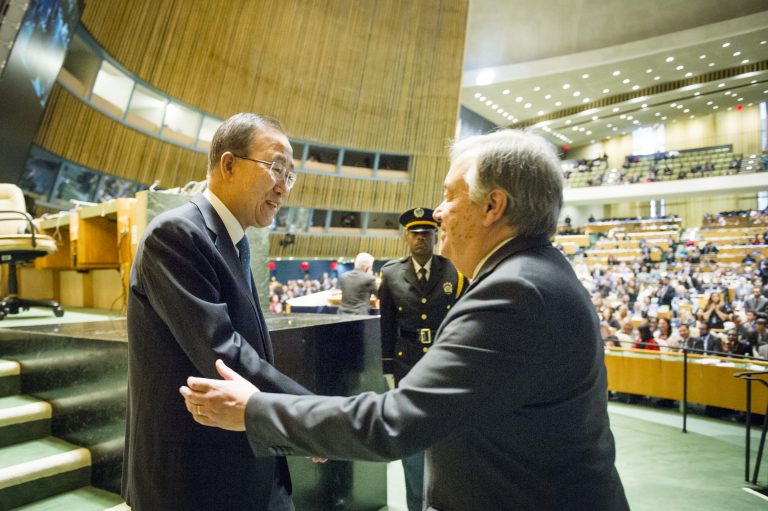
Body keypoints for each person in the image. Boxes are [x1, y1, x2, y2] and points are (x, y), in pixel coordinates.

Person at [180, 129, 629, 510]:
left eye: (450, 195)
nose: (437, 212)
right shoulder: (528, 273)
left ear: (493, 205)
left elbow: (393, 422)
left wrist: (253, 410)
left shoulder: (517, 291)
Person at [123, 113, 313, 511]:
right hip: (195, 479)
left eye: (290, 175)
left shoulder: (236, 242)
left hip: (246, 466)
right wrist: (307, 414)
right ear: (228, 164)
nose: (283, 187)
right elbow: (223, 353)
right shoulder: (176, 234)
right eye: (275, 167)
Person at [377, 206, 465, 510]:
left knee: (446, 438)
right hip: (406, 365)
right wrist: (387, 368)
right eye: (415, 234)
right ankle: (416, 504)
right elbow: (386, 326)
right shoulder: (390, 274)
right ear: (406, 238)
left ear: (435, 237)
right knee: (412, 440)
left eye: (426, 233)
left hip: (444, 363)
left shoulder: (453, 271)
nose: (420, 239)